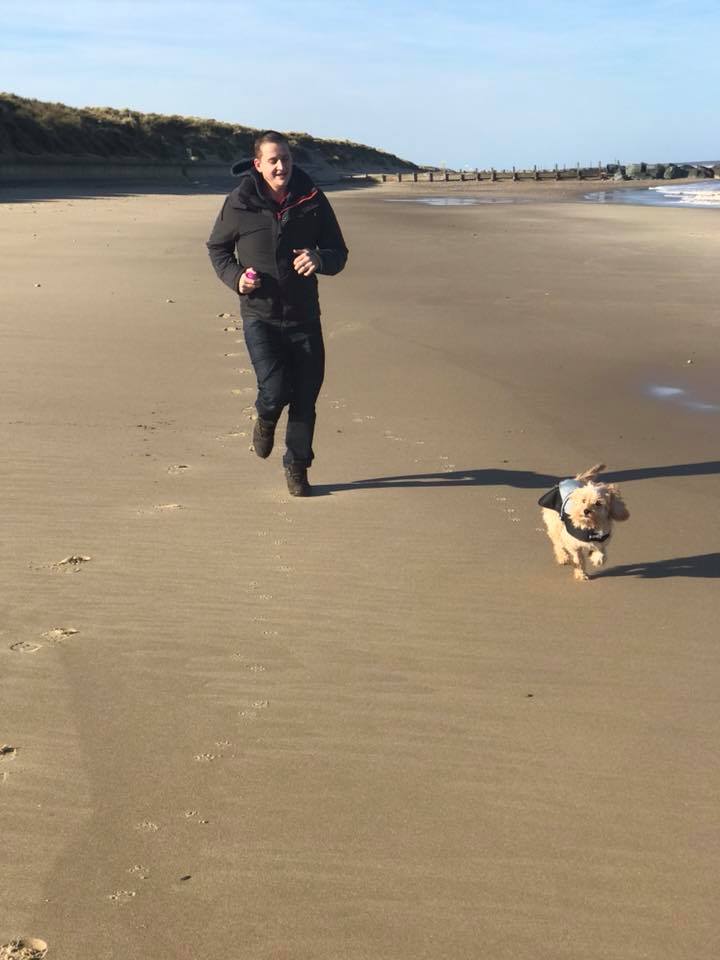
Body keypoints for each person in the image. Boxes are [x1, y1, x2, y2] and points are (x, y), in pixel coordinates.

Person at [207, 130, 348, 497]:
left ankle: (297, 467)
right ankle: (266, 418)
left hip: (305, 316)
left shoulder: (312, 198)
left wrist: (319, 259)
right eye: (273, 160)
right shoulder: (239, 203)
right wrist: (237, 278)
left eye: (285, 159)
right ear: (258, 164)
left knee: (305, 397)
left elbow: (338, 252)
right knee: (275, 390)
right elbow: (218, 249)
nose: (281, 166)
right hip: (261, 316)